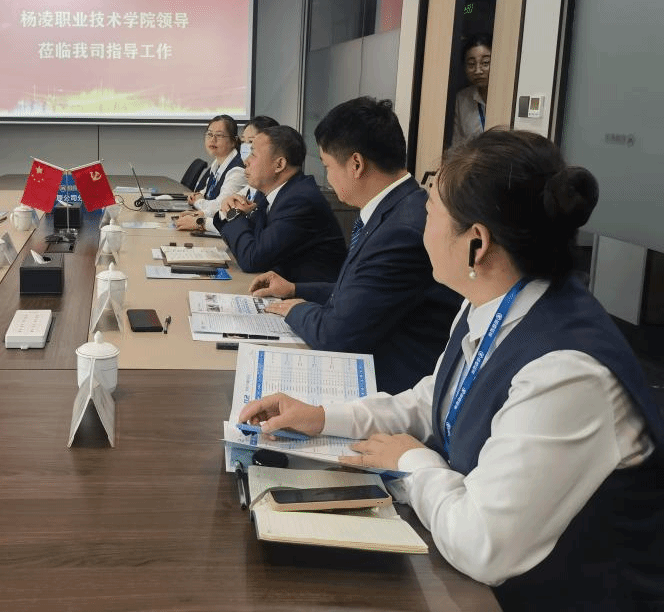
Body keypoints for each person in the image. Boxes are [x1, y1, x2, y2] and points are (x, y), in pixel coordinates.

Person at [239, 129, 664, 611]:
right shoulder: (492, 302)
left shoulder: (567, 373)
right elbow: (434, 398)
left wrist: (412, 460)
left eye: (431, 211)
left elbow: (483, 546)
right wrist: (322, 417)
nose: (419, 223)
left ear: (475, 244)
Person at [248, 97, 461, 393]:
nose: (327, 176)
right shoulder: (397, 207)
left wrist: (295, 309)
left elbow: (336, 335)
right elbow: (361, 295)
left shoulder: (401, 231)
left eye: (327, 166)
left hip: (393, 387)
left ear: (356, 164)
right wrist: (295, 289)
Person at [215, 125, 345, 282]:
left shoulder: (300, 200)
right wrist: (231, 209)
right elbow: (251, 242)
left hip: (308, 293)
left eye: (253, 154)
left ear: (279, 165)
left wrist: (234, 214)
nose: (246, 161)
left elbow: (252, 258)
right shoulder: (271, 193)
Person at [174, 115, 246, 231]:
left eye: (219, 135)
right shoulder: (217, 163)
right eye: (209, 134)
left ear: (234, 141)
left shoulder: (237, 171)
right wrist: (199, 198)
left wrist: (198, 202)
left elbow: (220, 206)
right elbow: (208, 191)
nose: (213, 139)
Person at [451, 33, 492, 147]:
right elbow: (457, 143)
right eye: (471, 64)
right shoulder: (462, 98)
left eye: (485, 63)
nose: (478, 71)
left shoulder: (508, 96)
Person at [240, 115, 278, 201]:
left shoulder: (268, 185)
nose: (245, 147)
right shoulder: (252, 182)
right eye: (243, 141)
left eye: (251, 141)